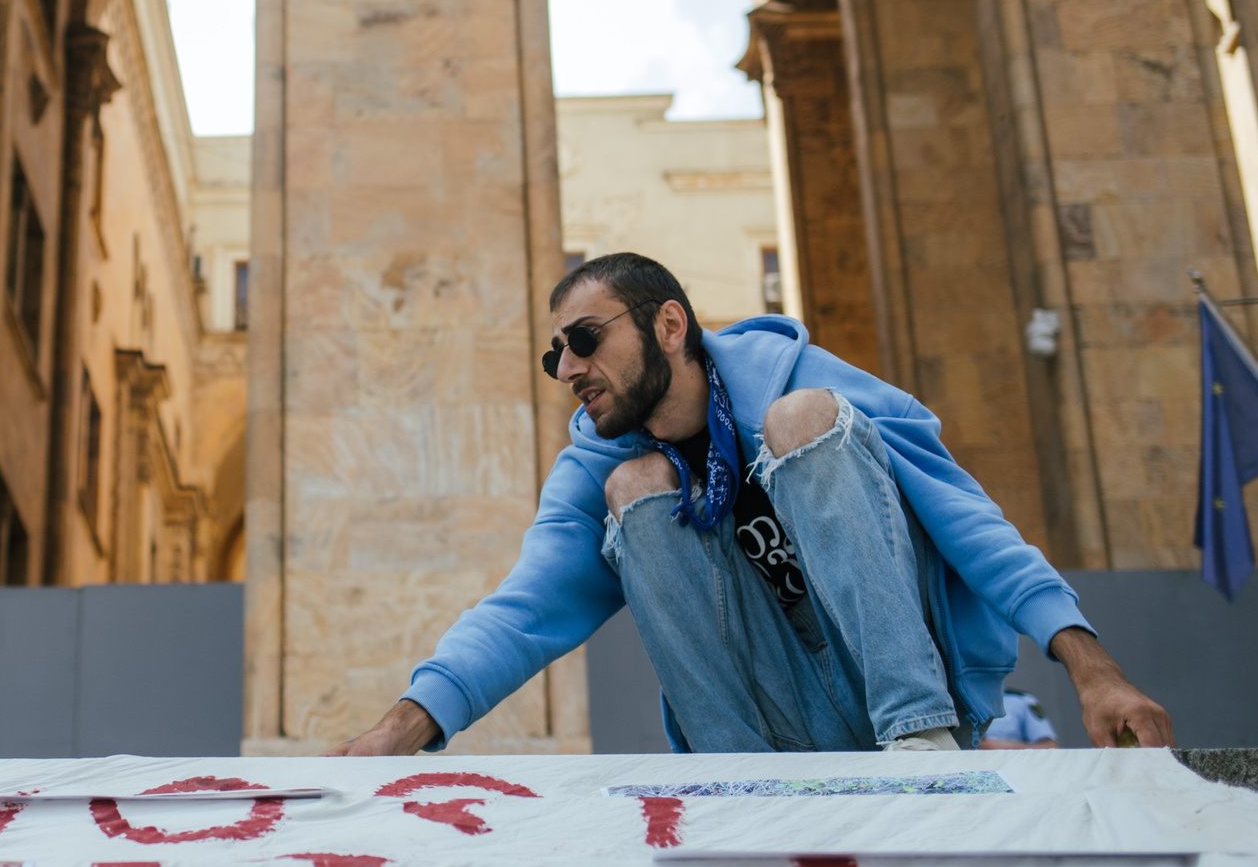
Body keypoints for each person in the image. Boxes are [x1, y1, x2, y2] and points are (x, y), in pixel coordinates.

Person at [331, 253, 1170, 756]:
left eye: (586, 338)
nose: (569, 367)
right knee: (637, 487)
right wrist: (399, 730)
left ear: (669, 324)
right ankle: (733, 769)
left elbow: (967, 519)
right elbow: (523, 608)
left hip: (897, 685)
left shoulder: (800, 378)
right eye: (554, 354)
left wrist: (1095, 673)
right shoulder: (599, 462)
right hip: (766, 712)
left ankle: (920, 742)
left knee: (800, 422)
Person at [979, 688, 1059, 749]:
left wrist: (995, 747)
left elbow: (1050, 746)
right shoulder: (966, 704)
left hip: (1012, 765)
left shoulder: (1021, 700)